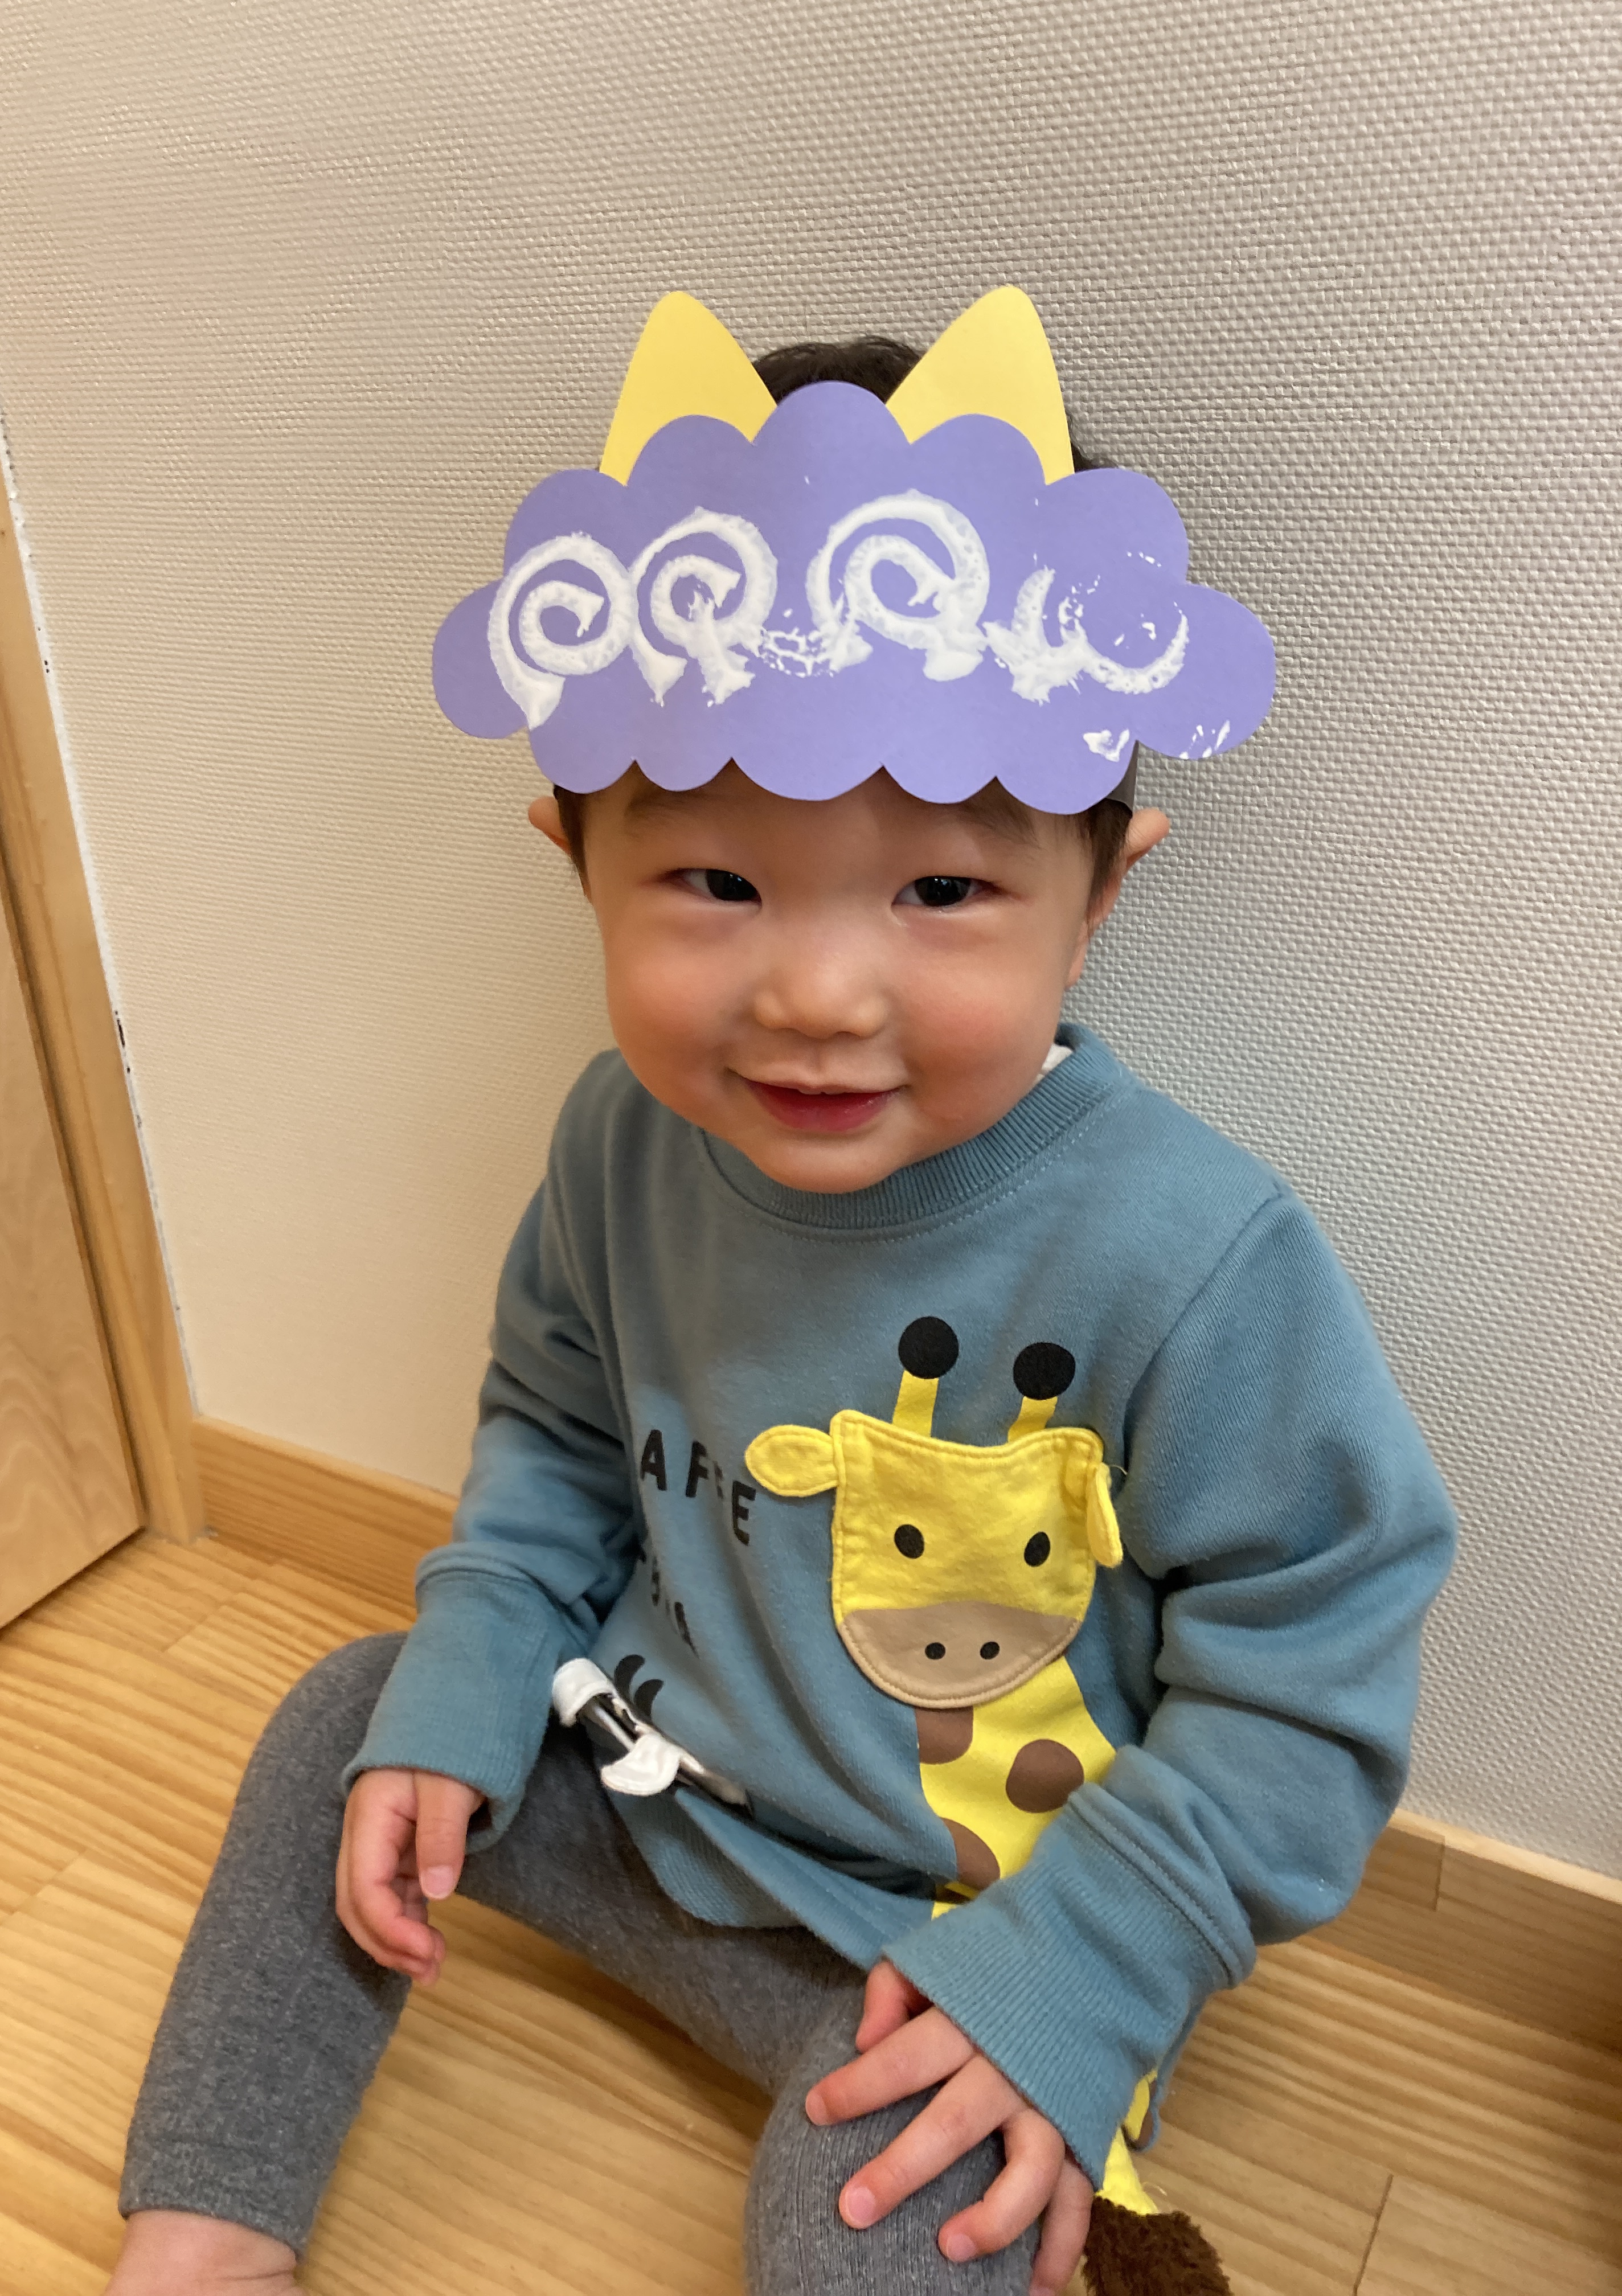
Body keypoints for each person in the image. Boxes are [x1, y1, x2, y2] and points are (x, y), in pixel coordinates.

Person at [105, 294, 1455, 2296]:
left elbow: (1314, 1656)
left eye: (943, 891)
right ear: (575, 856)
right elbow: (560, 1435)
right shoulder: (617, 1143)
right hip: (660, 1802)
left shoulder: (1195, 1254)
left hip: (980, 1943)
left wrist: (1081, 1974)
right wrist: (472, 1681)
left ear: (1101, 894)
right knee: (349, 1721)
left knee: (869, 2230)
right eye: (718, 884)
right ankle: (202, 2246)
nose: (818, 992)